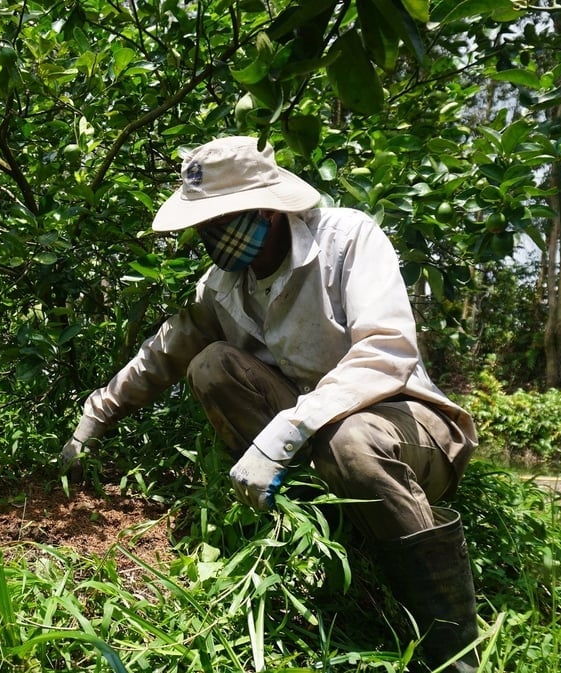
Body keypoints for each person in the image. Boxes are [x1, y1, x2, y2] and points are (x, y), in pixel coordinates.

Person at [60, 136, 480, 670]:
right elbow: (162, 353)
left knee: (352, 442)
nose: (214, 236)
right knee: (211, 363)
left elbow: (386, 351)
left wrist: (286, 431)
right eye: (205, 225)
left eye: (224, 219)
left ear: (268, 208)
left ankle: (451, 646)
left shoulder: (347, 239)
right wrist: (91, 422)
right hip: (312, 432)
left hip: (402, 424)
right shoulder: (224, 285)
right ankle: (309, 525)